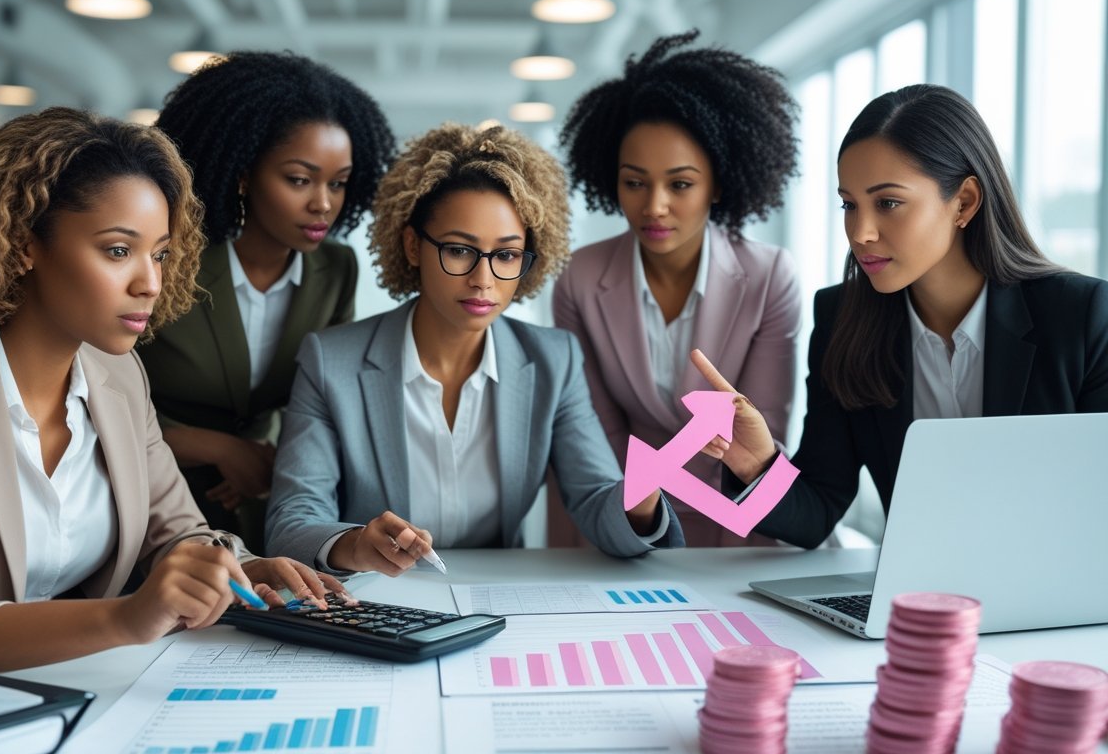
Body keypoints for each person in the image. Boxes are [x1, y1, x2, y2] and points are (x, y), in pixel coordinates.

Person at [0, 108, 348, 672]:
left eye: (159, 254)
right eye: (117, 250)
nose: (150, 282)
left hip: (85, 689)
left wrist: (241, 568)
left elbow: (179, 534)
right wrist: (123, 619)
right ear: (22, 244)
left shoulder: (117, 378)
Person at [693, 84, 1108, 549]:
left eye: (887, 202)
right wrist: (758, 463)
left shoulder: (1083, 316)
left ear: (965, 202)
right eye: (849, 205)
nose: (861, 232)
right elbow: (816, 513)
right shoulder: (843, 320)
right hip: (914, 600)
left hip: (1062, 605)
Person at [265, 123, 687, 575]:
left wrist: (639, 500)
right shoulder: (332, 362)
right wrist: (353, 545)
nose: (483, 279)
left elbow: (593, 496)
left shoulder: (553, 361)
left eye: (506, 255)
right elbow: (292, 520)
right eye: (460, 250)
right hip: (376, 599)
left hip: (501, 601)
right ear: (412, 246)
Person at [137, 51, 396, 552]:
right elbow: (99, 394)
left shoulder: (336, 270)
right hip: (148, 496)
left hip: (264, 499)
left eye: (338, 183)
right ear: (242, 175)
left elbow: (324, 395)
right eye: (300, 179)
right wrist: (219, 448)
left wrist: (271, 461)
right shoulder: (169, 262)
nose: (324, 202)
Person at [552, 30, 802, 546]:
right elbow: (597, 432)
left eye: (681, 184)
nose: (654, 206)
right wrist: (648, 521)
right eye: (635, 182)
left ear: (719, 182)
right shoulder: (579, 277)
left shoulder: (769, 277)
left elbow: (765, 437)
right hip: (626, 521)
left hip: (741, 524)